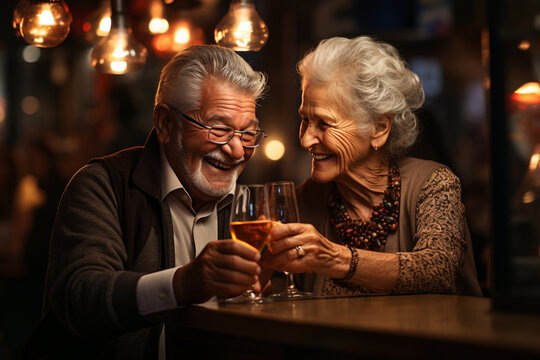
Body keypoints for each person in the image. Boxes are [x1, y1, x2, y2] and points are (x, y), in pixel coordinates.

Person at [25, 45, 268, 359]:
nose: (237, 151)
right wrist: (182, 284)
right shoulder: (104, 185)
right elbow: (80, 297)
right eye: (219, 129)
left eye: (247, 134)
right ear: (166, 124)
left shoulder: (251, 207)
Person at [263, 36, 482, 297]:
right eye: (304, 120)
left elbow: (438, 270)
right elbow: (275, 296)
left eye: (324, 123)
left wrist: (333, 258)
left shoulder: (435, 184)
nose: (306, 139)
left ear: (379, 128)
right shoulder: (301, 202)